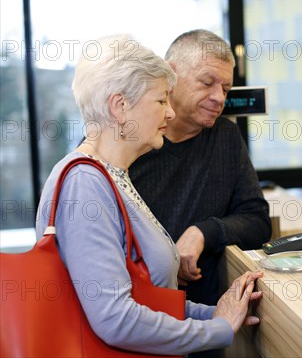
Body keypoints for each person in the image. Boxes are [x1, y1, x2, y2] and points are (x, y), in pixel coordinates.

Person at [35, 35, 264, 355]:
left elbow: (148, 297)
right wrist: (217, 328)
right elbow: (116, 319)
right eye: (160, 101)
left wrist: (214, 312)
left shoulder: (115, 176)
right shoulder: (85, 184)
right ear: (120, 106)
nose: (169, 113)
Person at [129, 30, 271, 308]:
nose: (219, 97)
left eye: (226, 89)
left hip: (206, 313)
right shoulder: (128, 139)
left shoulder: (225, 138)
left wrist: (202, 232)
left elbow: (257, 220)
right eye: (207, 83)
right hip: (135, 309)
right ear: (170, 76)